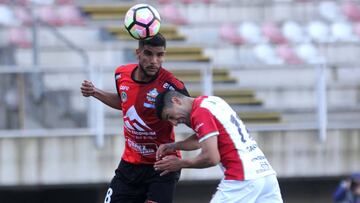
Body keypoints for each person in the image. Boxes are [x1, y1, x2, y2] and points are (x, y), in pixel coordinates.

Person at [80, 33, 189, 203]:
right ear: (138, 53)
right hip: (130, 165)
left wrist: (179, 153)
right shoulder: (120, 74)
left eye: (159, 55)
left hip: (162, 166)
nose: (154, 61)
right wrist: (95, 92)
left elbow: (195, 120)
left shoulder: (172, 85)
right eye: (148, 54)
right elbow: (124, 101)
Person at [154, 90, 283, 203]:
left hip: (242, 179)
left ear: (176, 100)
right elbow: (201, 139)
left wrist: (180, 163)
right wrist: (174, 146)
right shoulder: (212, 101)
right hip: (266, 175)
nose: (174, 123)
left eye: (170, 116)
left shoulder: (200, 113)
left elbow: (211, 158)